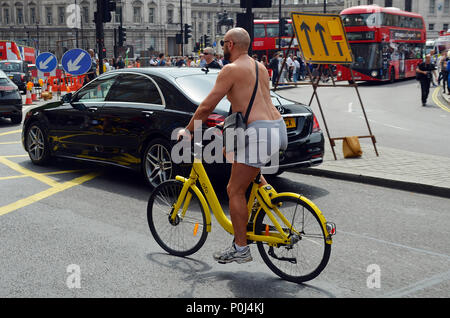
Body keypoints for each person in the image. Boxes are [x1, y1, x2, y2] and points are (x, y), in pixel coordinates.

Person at [177, 27, 287, 264]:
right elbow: (246, 101)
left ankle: (240, 248)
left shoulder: (231, 69)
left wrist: (188, 130)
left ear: (231, 45)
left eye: (223, 42)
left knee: (234, 190)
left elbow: (206, 107)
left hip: (259, 132)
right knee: (246, 170)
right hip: (277, 127)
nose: (221, 47)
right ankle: (267, 201)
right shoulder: (260, 67)